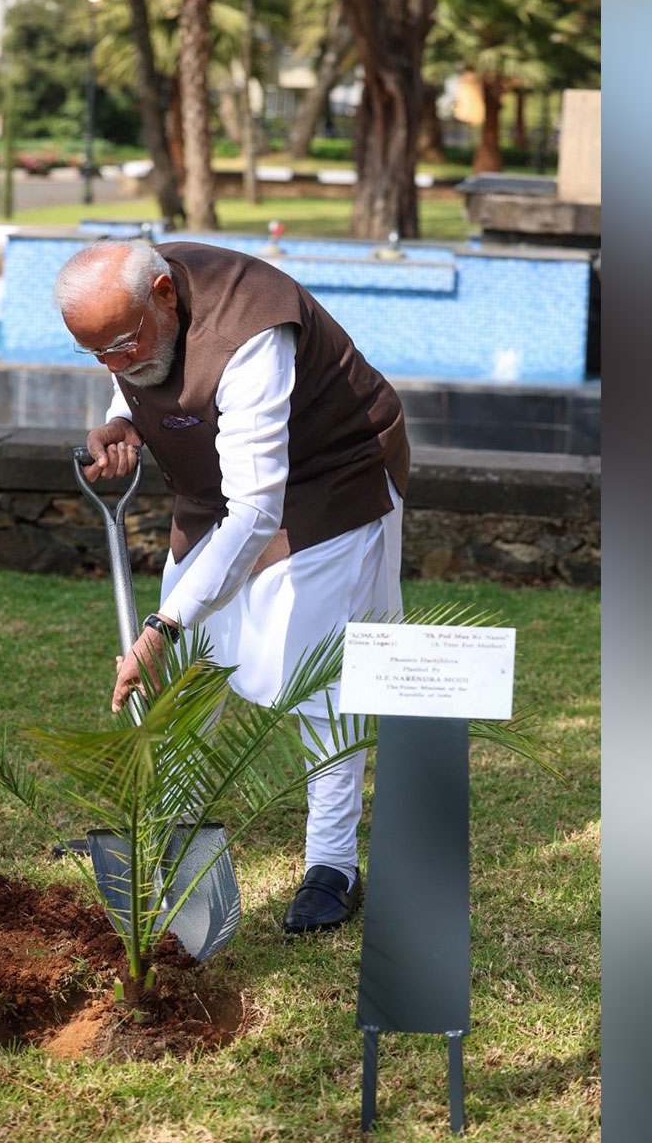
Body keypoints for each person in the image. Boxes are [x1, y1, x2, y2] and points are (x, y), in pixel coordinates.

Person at [54, 239, 410, 935]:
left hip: (330, 481)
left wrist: (162, 625)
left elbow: (256, 512)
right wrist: (123, 420)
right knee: (185, 678)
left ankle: (333, 865)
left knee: (318, 677)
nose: (115, 364)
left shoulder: (253, 330)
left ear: (163, 294)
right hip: (217, 488)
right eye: (97, 353)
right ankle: (175, 836)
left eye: (122, 345)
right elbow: (138, 369)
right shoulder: (137, 321)